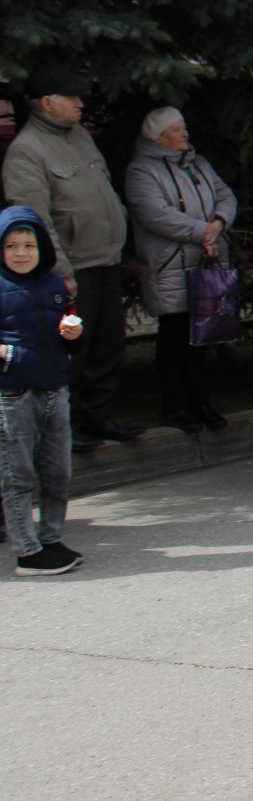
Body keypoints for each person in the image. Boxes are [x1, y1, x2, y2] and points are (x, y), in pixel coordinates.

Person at [2, 67, 142, 450]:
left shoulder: (78, 136)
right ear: (47, 103)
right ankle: (65, 428)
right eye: (72, 97)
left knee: (107, 346)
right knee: (73, 351)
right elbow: (36, 220)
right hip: (71, 269)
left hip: (104, 260)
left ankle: (97, 417)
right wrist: (59, 271)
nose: (81, 104)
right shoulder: (27, 150)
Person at [124, 108, 237, 434]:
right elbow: (155, 214)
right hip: (171, 264)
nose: (183, 134)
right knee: (174, 335)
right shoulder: (141, 171)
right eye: (175, 129)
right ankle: (175, 407)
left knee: (201, 337)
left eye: (183, 127)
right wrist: (204, 232)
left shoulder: (198, 164)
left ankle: (201, 403)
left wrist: (217, 224)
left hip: (204, 260)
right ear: (158, 137)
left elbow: (225, 195)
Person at [1, 206, 85, 575]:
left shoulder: (54, 285)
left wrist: (73, 331)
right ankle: (27, 551)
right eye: (11, 246)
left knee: (57, 472)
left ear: (42, 249)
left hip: (55, 388)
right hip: (13, 393)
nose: (21, 253)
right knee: (18, 475)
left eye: (29, 245)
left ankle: (51, 538)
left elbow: (69, 324)